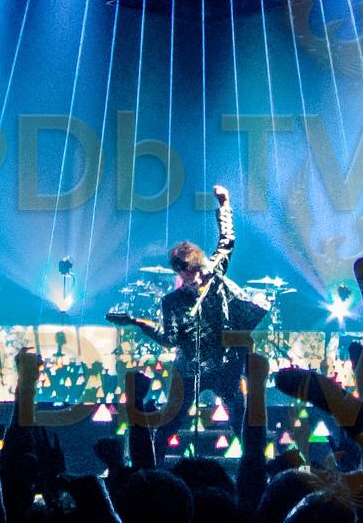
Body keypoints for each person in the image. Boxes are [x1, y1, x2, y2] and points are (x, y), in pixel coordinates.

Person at [109, 184, 267, 446]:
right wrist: (137, 322)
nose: (198, 278)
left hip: (224, 363)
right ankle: (152, 462)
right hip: (189, 368)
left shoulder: (213, 274)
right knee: (170, 423)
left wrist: (224, 204)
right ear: (181, 273)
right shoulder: (172, 302)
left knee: (240, 419)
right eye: (191, 275)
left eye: (199, 272)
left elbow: (227, 241)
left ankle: (255, 462)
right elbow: (169, 339)